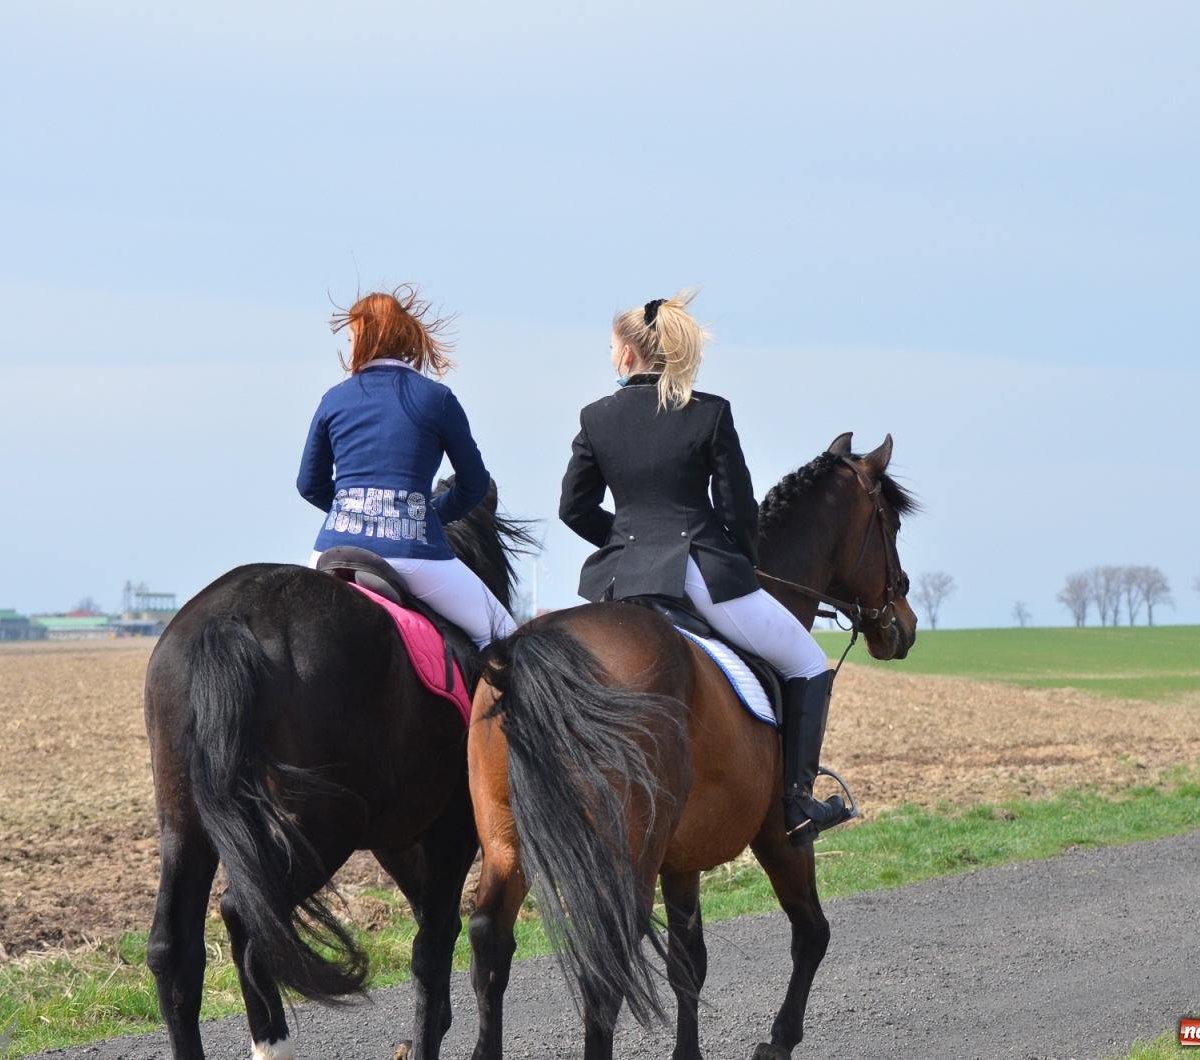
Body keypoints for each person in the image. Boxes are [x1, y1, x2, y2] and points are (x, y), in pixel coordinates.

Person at [557, 290, 853, 845]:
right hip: (698, 569)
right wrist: (739, 563)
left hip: (622, 577)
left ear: (626, 356)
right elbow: (738, 509)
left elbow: (572, 507)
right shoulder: (711, 412)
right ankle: (796, 804)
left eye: (610, 350)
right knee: (809, 663)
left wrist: (624, 544)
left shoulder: (596, 417)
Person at [297, 286, 516, 650]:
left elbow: (309, 484)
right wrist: (431, 514)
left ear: (365, 338)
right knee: (506, 639)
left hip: (331, 551)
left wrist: (351, 510)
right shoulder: (438, 398)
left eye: (352, 336)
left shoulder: (333, 398)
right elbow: (475, 484)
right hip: (413, 556)